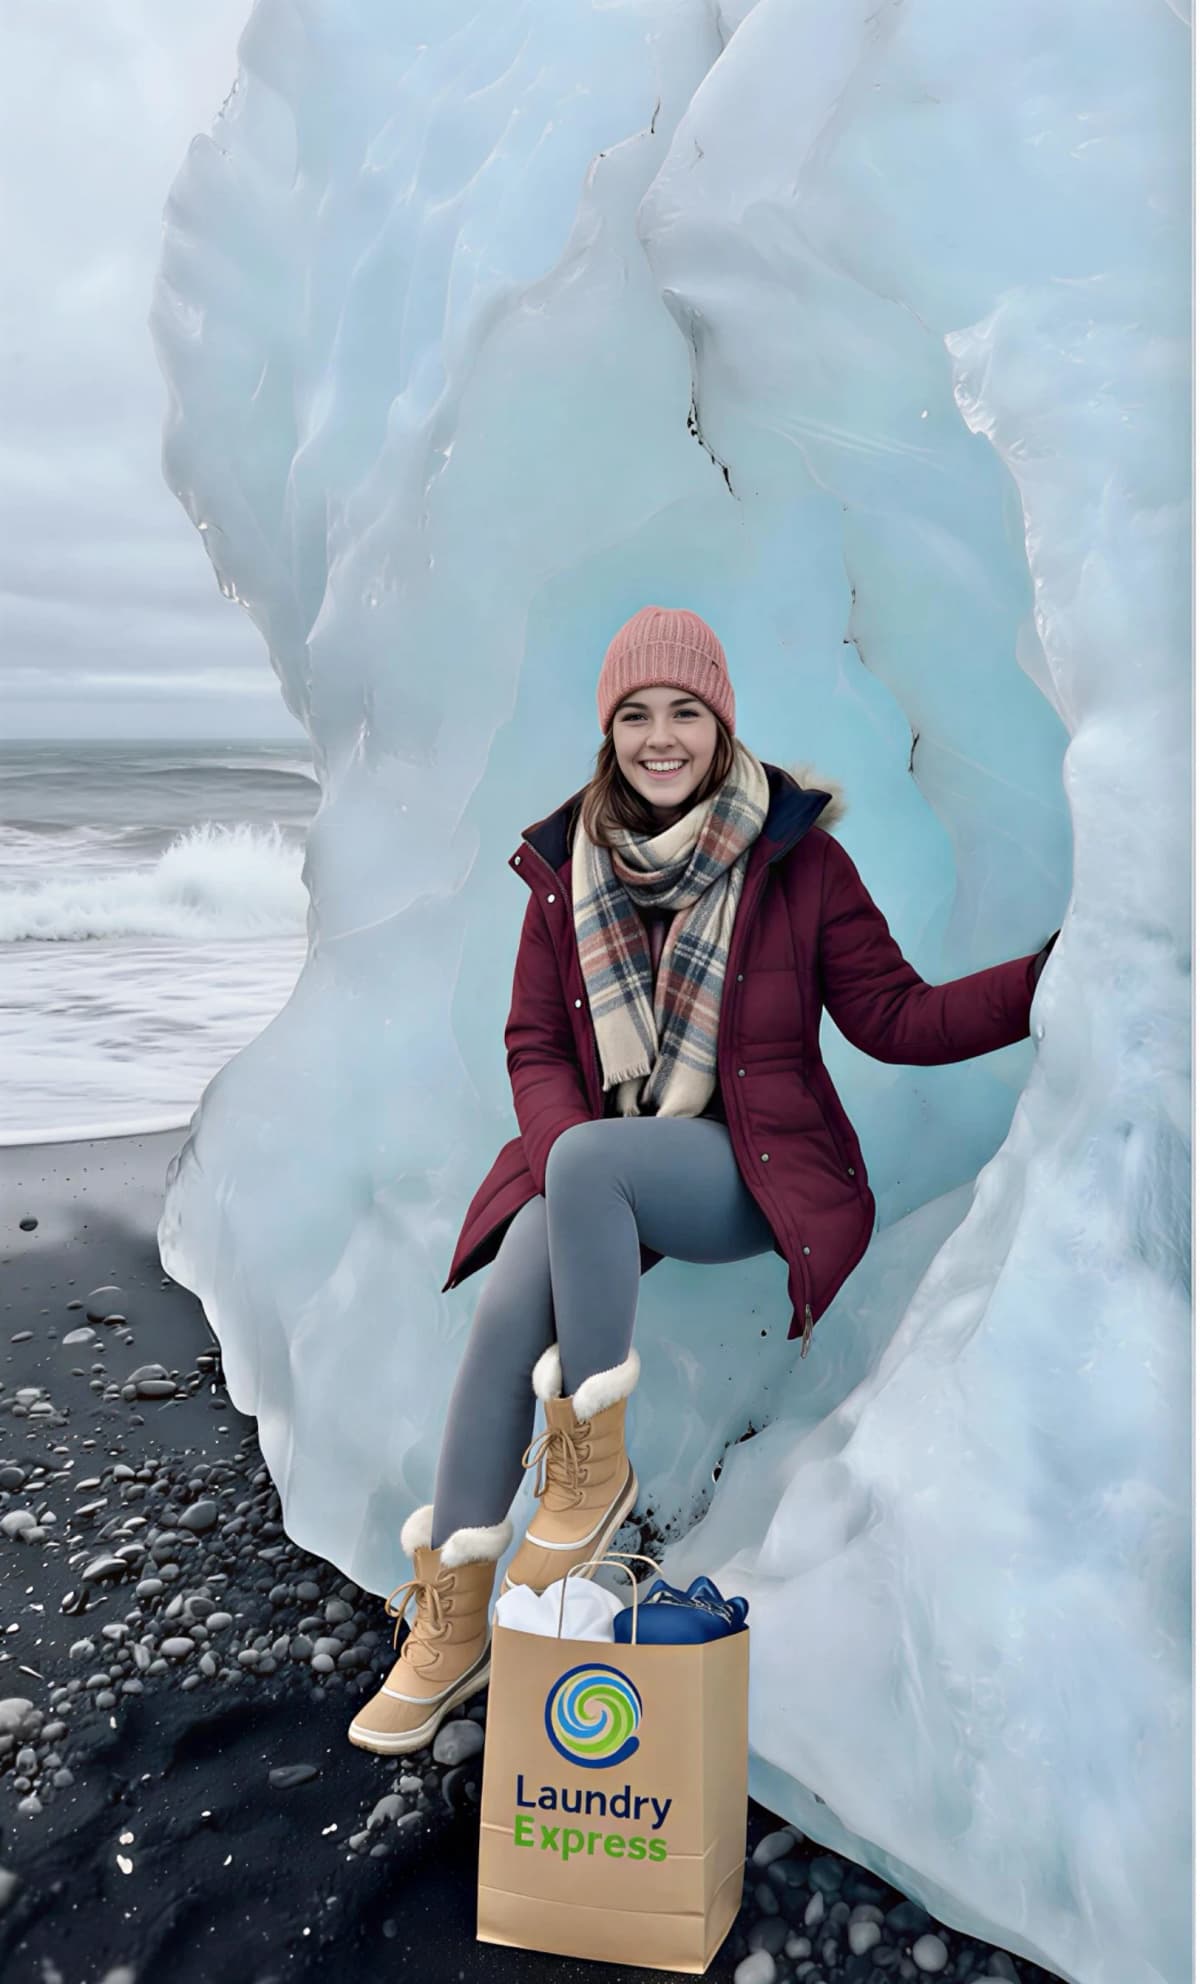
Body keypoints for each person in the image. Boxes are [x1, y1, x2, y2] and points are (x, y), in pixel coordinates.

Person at [347, 605, 1060, 1756]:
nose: (660, 736)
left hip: (752, 1168)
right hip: (609, 1165)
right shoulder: (565, 870)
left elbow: (894, 1015)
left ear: (721, 722)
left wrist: (1048, 983)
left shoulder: (799, 861)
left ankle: (591, 1479)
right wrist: (568, 1157)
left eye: (685, 710)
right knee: (519, 1269)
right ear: (610, 732)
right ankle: (455, 1616)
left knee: (583, 1164)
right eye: (636, 714)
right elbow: (535, 1044)